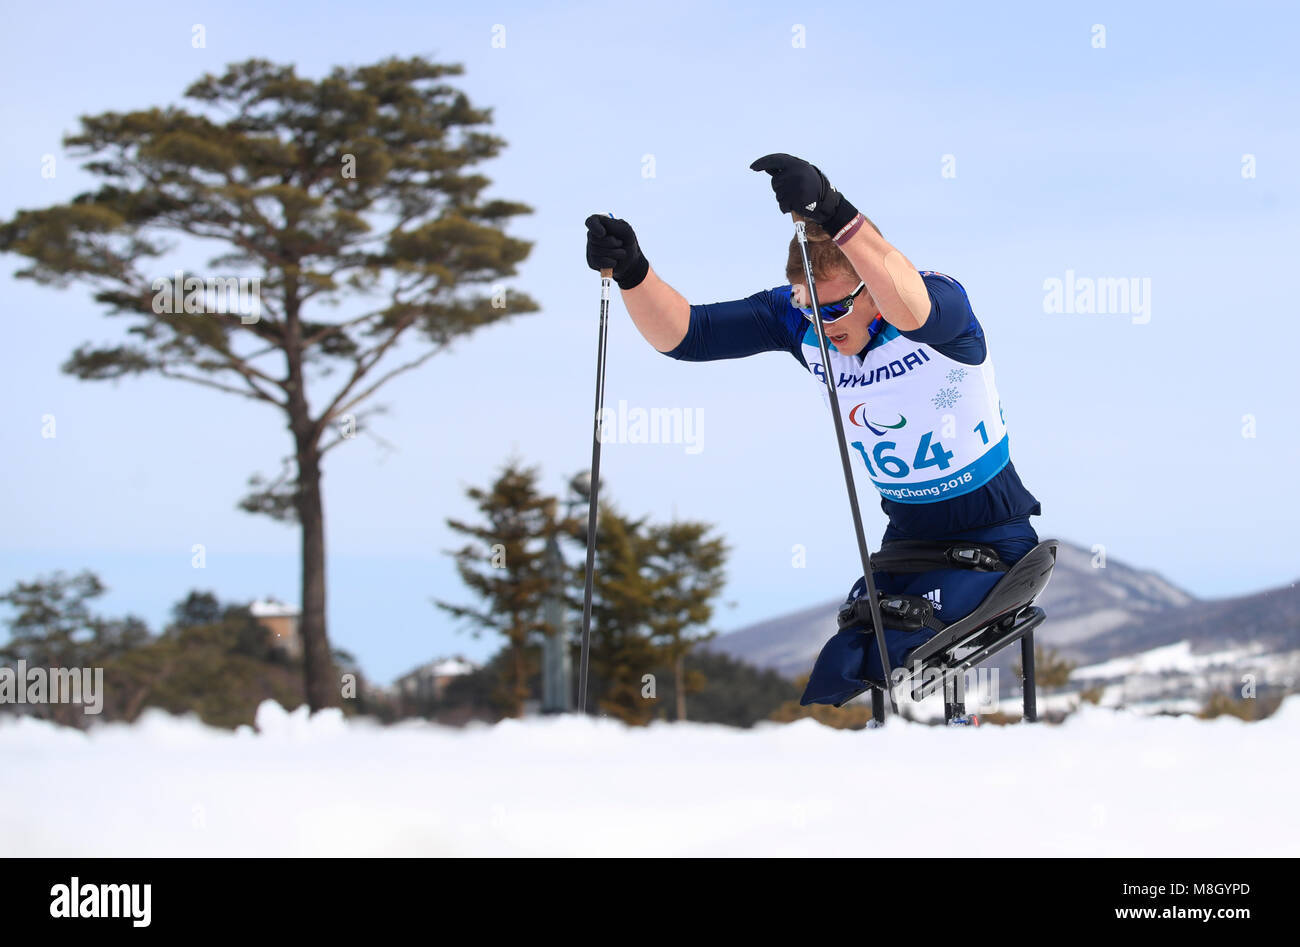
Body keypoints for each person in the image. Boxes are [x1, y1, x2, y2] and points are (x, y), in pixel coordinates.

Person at [584, 154, 1041, 706]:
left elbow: (911, 306)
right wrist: (635, 272)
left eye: (833, 308)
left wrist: (833, 209)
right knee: (845, 664)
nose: (820, 325)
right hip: (906, 543)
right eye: (806, 306)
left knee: (899, 651)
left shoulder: (938, 307)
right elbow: (688, 336)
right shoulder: (801, 321)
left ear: (871, 291)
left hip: (992, 537)